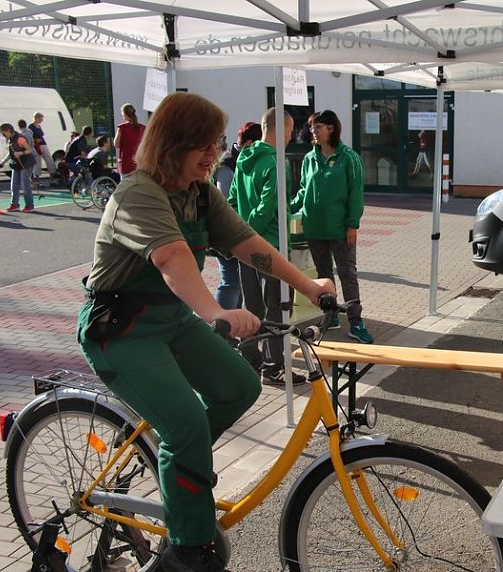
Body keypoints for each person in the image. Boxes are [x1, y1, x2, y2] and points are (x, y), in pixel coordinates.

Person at [75, 92, 336, 572]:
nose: (214, 154)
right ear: (173, 144)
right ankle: (187, 550)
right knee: (188, 426)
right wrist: (217, 311)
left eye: (216, 143)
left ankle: (179, 462)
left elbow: (247, 243)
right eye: (204, 144)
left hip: (172, 321)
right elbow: (172, 257)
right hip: (121, 333)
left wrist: (310, 286)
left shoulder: (197, 192)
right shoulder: (138, 194)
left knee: (240, 387)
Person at [228, 109, 305, 386]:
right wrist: (251, 233)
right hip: (270, 247)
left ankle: (251, 359)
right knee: (278, 307)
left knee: (252, 307)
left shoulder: (243, 159)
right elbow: (267, 205)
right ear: (280, 128)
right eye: (290, 130)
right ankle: (273, 367)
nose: (291, 136)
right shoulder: (275, 162)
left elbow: (232, 200)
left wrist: (240, 236)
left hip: (243, 247)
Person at [292, 109, 372, 344]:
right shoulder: (309, 159)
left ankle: (356, 322)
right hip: (314, 228)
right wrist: (287, 207)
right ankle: (331, 315)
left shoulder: (349, 158)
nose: (313, 131)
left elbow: (356, 194)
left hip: (340, 230)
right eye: (311, 127)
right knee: (324, 276)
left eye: (318, 127)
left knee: (348, 275)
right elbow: (304, 190)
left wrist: (352, 225)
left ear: (331, 128)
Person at [213, 121, 262, 310]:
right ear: (249, 143)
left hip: (240, 231)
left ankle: (233, 322)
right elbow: (225, 201)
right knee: (231, 282)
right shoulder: (227, 164)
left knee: (239, 282)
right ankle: (222, 323)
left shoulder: (243, 160)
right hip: (227, 232)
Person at [0, 123, 36, 212]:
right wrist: (3, 162)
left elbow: (29, 150)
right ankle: (14, 204)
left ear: (8, 131)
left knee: (24, 184)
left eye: (3, 133)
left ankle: (30, 205)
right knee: (14, 185)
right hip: (16, 163)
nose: (3, 136)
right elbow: (11, 153)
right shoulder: (10, 139)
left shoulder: (20, 139)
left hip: (26, 163)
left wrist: (21, 153)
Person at [113, 103, 145, 176]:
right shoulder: (142, 128)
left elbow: (116, 144)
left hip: (126, 163)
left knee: (126, 182)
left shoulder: (122, 128)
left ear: (125, 114)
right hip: (139, 163)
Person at [29, 112, 58, 185]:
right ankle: (37, 179)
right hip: (36, 146)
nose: (42, 120)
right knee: (37, 162)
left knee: (49, 160)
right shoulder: (31, 126)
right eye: (41, 118)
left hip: (43, 144)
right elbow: (29, 137)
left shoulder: (39, 126)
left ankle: (52, 178)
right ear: (36, 118)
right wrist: (35, 140)